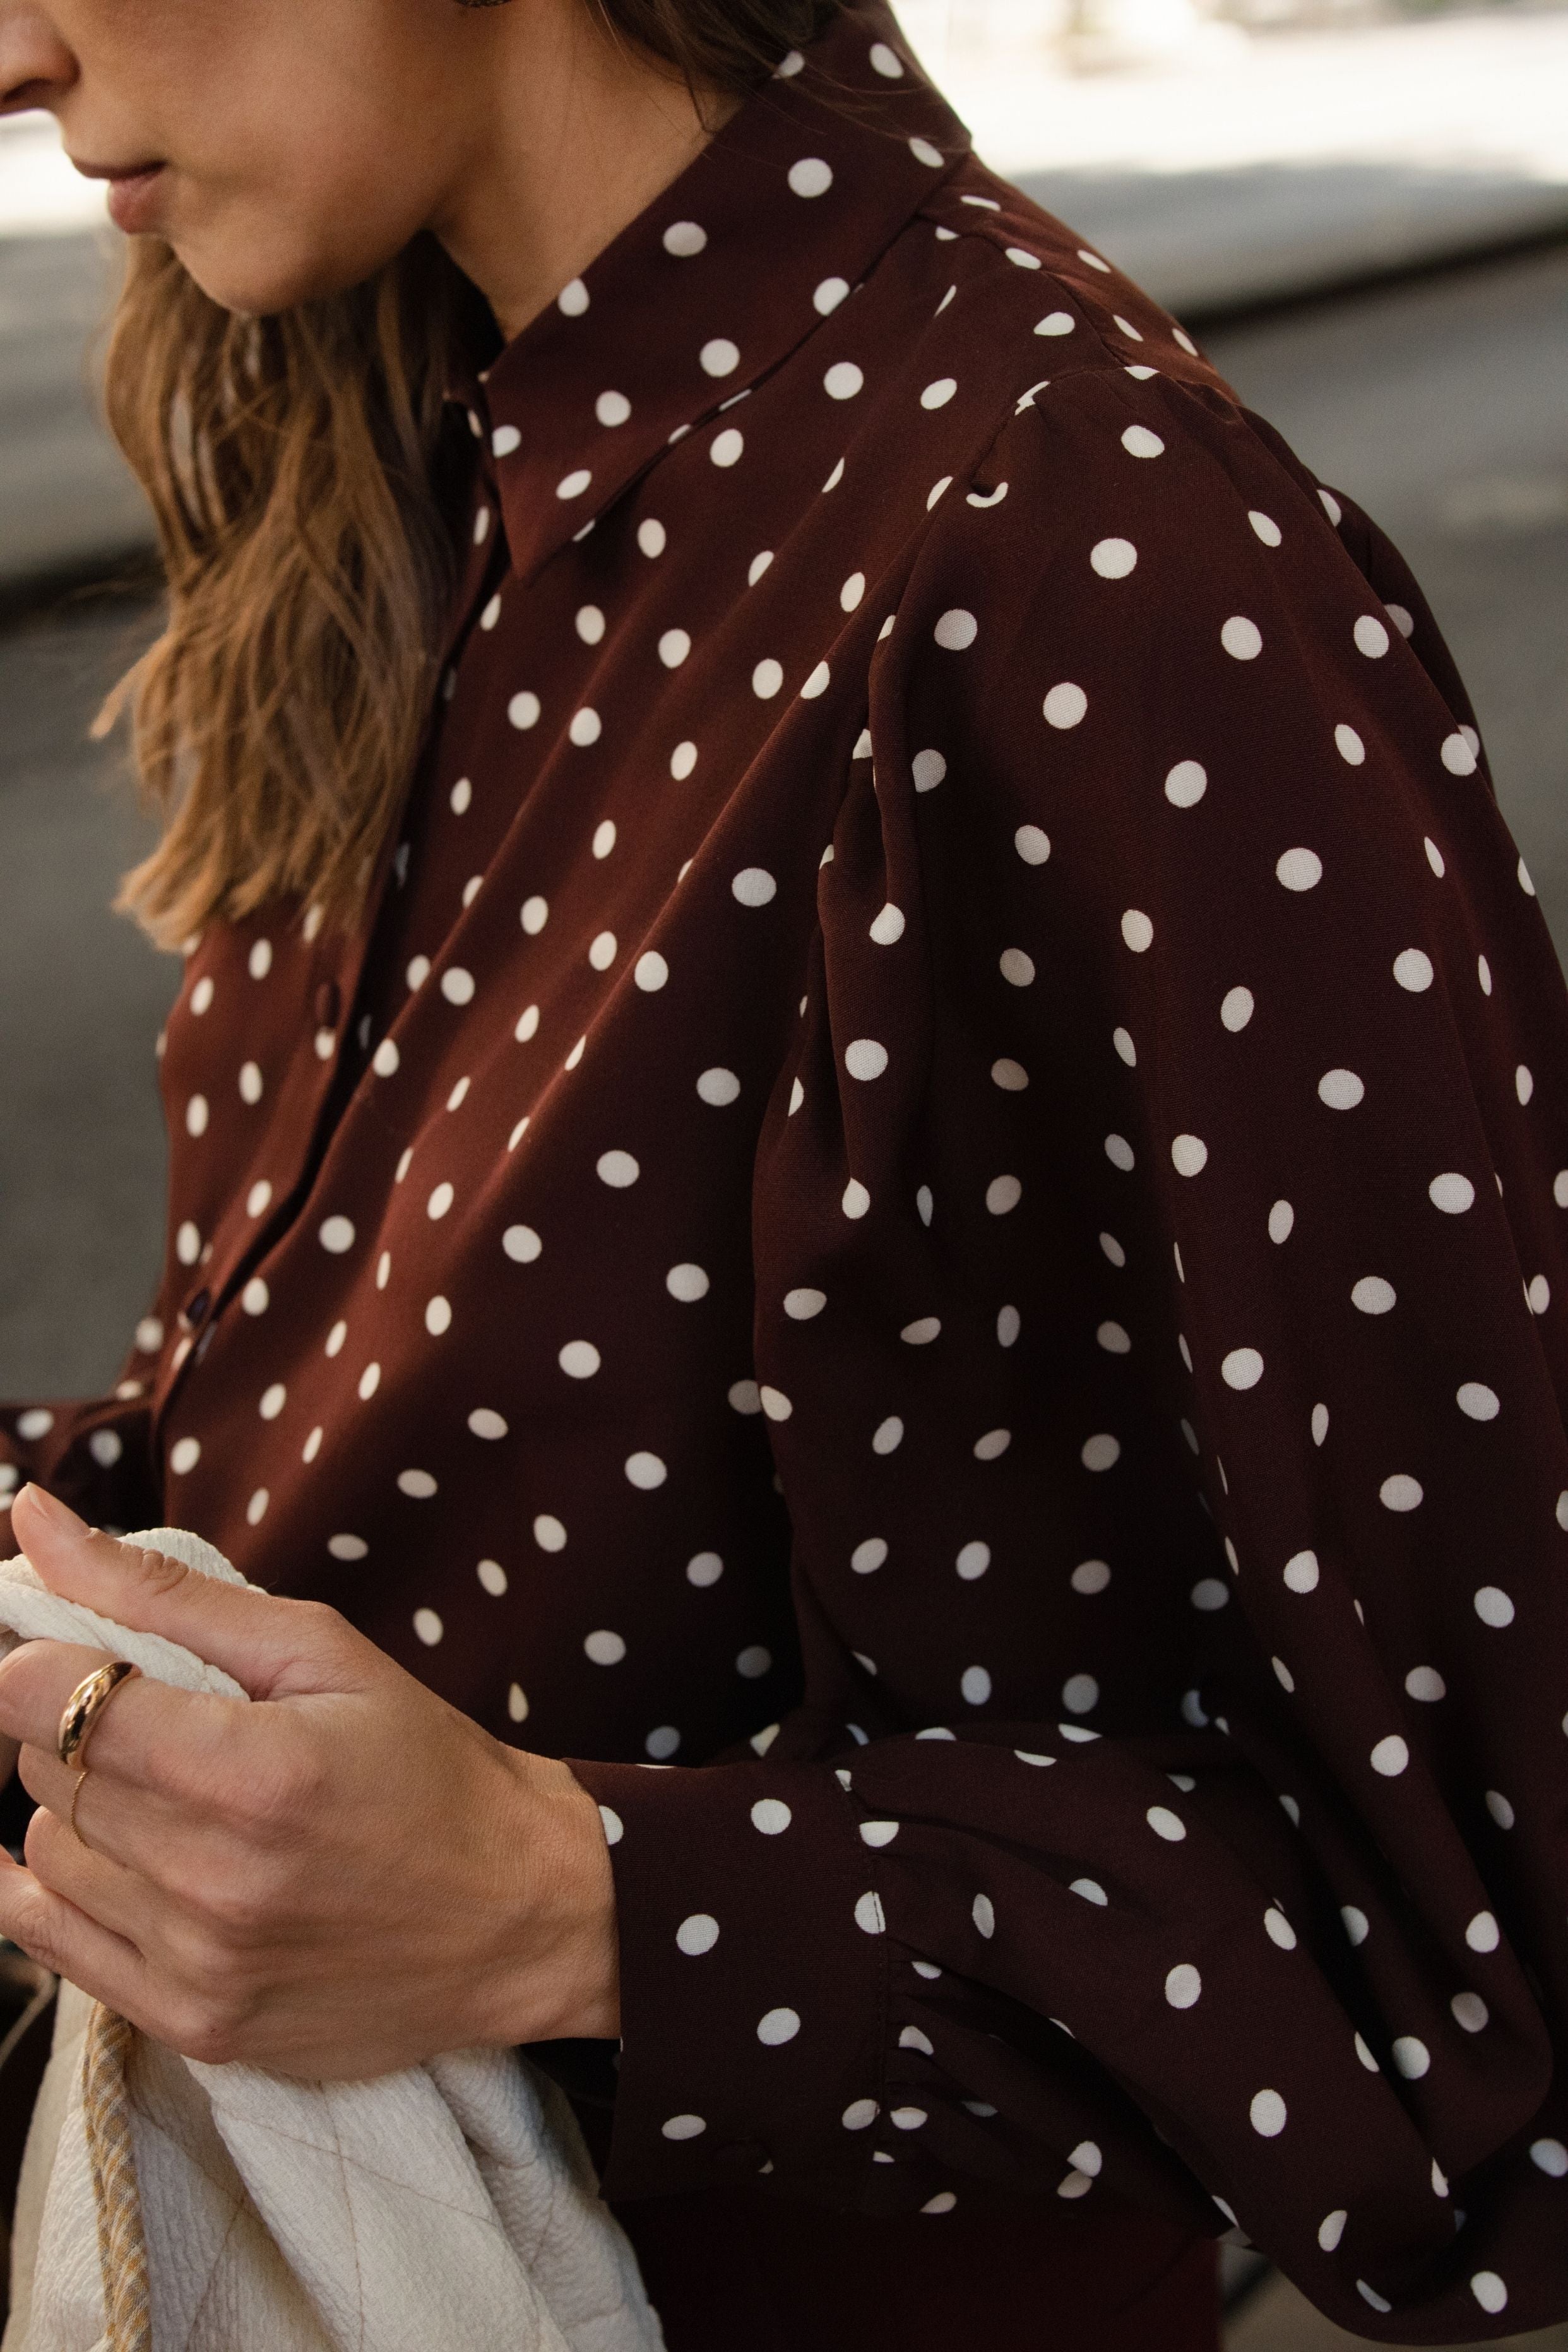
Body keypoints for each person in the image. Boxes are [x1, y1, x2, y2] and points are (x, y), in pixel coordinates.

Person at [0, 0, 1565, 2341]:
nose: (16, 52)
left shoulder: (1081, 537)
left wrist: (574, 1905)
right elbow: (357, 1487)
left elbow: (1490, 1974)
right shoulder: (424, 443)